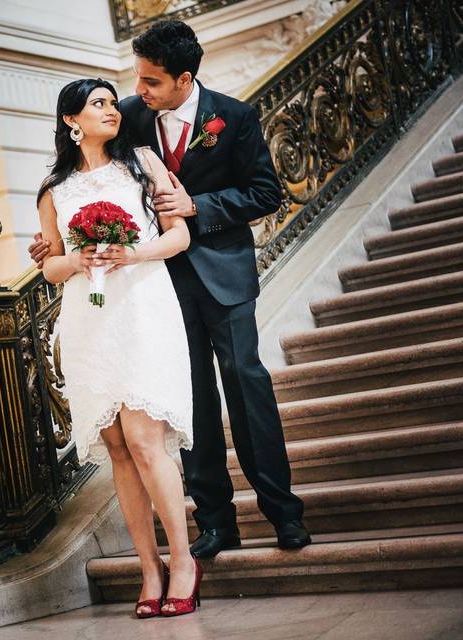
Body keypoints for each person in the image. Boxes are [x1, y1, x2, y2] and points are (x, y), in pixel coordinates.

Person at [29, 20, 311, 560]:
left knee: (245, 384)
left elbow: (265, 192)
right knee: (190, 401)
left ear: (184, 79)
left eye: (152, 82)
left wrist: (197, 207)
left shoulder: (236, 116)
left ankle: (283, 512)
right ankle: (215, 522)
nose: (139, 92)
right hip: (156, 286)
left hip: (222, 274)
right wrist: (54, 246)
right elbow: (86, 185)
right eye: (137, 79)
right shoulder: (130, 117)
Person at [36, 76, 202, 618]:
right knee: (116, 445)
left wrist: (131, 254)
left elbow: (179, 236)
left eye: (111, 103)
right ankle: (148, 567)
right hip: (89, 320)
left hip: (143, 305)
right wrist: (79, 260)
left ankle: (182, 561)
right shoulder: (53, 192)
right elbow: (52, 266)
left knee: (144, 436)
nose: (111, 111)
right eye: (97, 104)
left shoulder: (142, 162)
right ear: (71, 121)